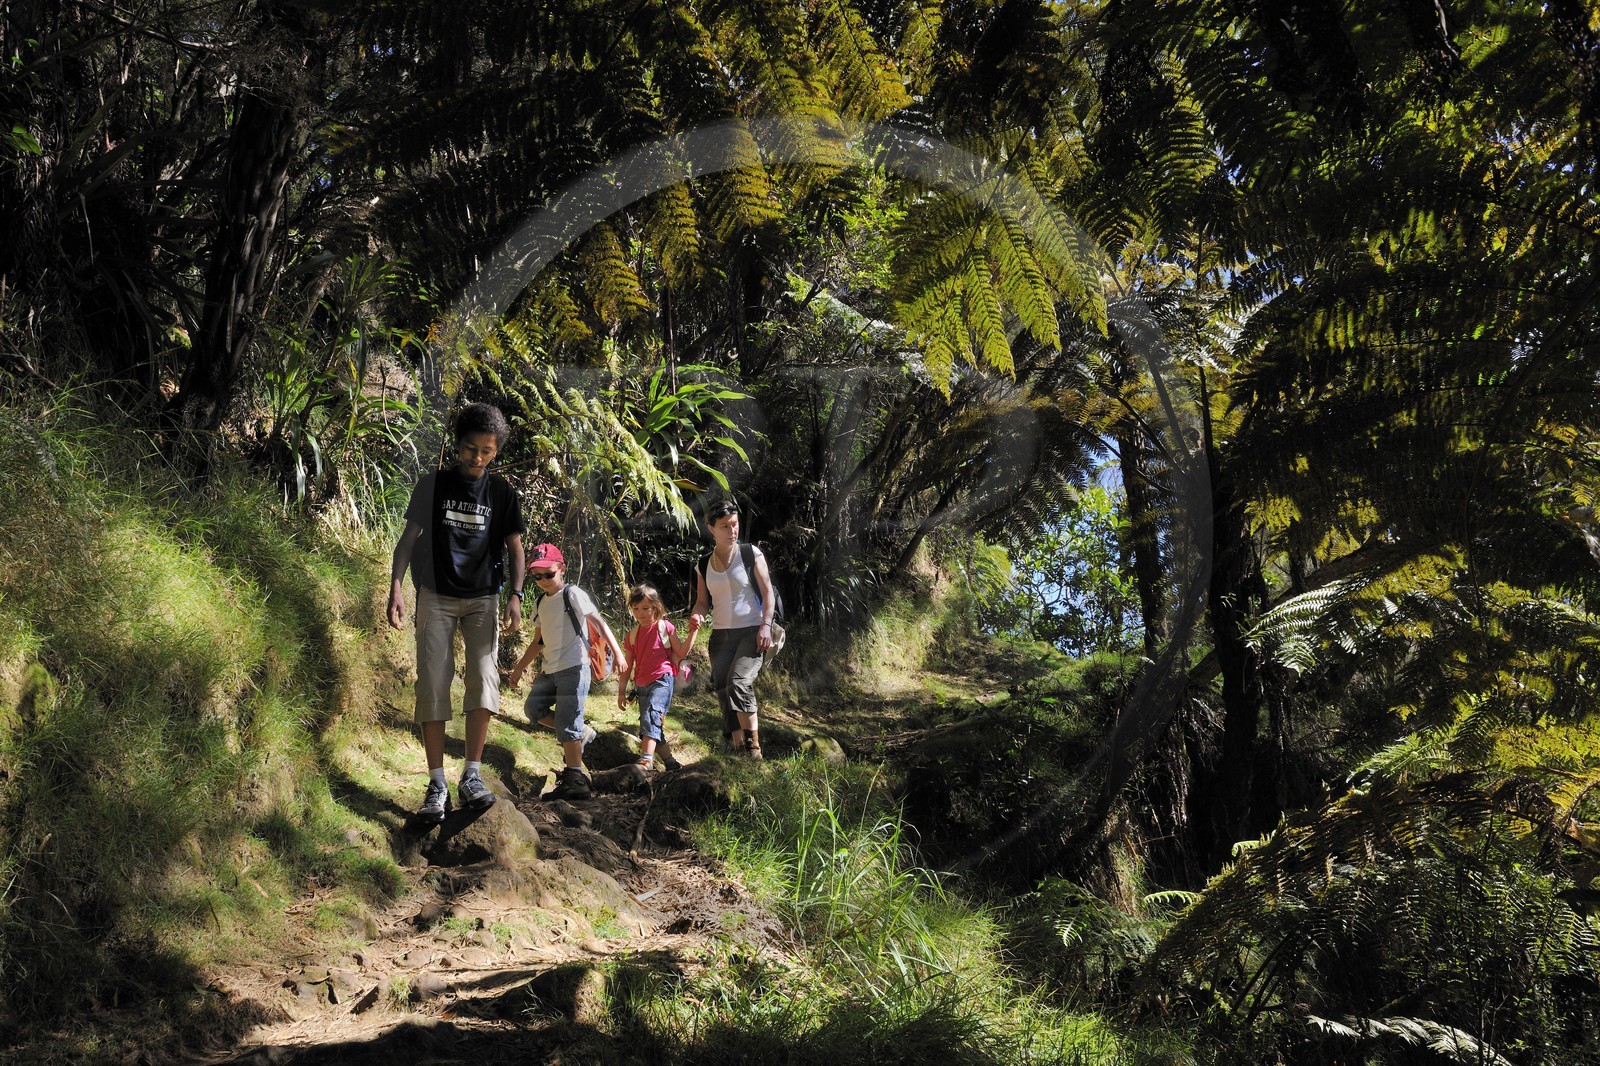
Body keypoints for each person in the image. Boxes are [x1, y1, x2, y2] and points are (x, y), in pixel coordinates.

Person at [387, 403, 525, 824]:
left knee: (483, 679)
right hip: (436, 595)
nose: (477, 458)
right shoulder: (432, 485)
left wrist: (516, 596)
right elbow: (408, 540)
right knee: (432, 681)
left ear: (496, 451)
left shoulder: (501, 494)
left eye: (486, 451)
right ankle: (435, 783)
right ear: (457, 446)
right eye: (470, 449)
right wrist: (396, 587)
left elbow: (516, 549)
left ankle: (471, 775)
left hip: (484, 598)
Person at [505, 543, 625, 800]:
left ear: (562, 569)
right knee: (533, 710)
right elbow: (538, 641)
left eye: (549, 574)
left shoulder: (574, 595)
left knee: (567, 724)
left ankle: (575, 779)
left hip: (574, 667)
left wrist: (618, 652)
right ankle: (582, 733)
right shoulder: (540, 602)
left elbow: (599, 624)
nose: (543, 581)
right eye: (537, 576)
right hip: (550, 669)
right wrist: (518, 669)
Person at [688, 499, 776, 758]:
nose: (732, 530)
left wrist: (766, 626)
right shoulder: (703, 565)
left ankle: (754, 749)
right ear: (711, 528)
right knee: (723, 689)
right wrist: (696, 615)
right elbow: (703, 603)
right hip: (719, 637)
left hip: (751, 631)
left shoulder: (750, 554)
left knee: (738, 682)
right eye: (725, 526)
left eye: (735, 524)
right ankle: (739, 751)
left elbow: (768, 593)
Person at [616, 584, 699, 771]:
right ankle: (671, 763)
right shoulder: (632, 636)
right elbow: (627, 666)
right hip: (641, 685)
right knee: (651, 723)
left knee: (652, 715)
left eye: (645, 608)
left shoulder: (664, 627)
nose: (640, 613)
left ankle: (646, 759)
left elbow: (682, 651)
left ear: (656, 607)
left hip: (662, 679)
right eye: (636, 609)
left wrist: (693, 632)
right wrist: (621, 691)